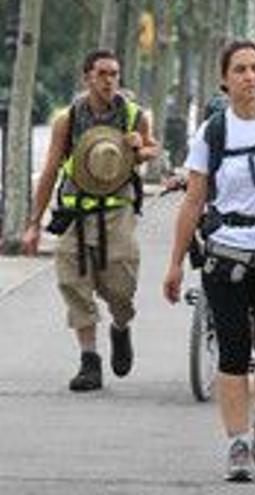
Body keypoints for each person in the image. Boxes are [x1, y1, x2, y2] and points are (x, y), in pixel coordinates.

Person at [162, 40, 255, 481]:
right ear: (225, 80)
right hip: (225, 250)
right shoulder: (213, 131)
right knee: (232, 353)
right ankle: (237, 443)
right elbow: (193, 200)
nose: (253, 77)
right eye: (242, 70)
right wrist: (175, 263)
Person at [22, 49, 158, 392]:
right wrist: (34, 223)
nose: (110, 80)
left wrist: (140, 147)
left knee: (121, 287)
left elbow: (152, 150)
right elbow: (51, 169)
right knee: (73, 281)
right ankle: (89, 361)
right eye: (102, 74)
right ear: (87, 77)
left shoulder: (133, 115)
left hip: (117, 212)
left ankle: (121, 327)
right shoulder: (68, 119)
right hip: (75, 212)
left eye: (114, 74)